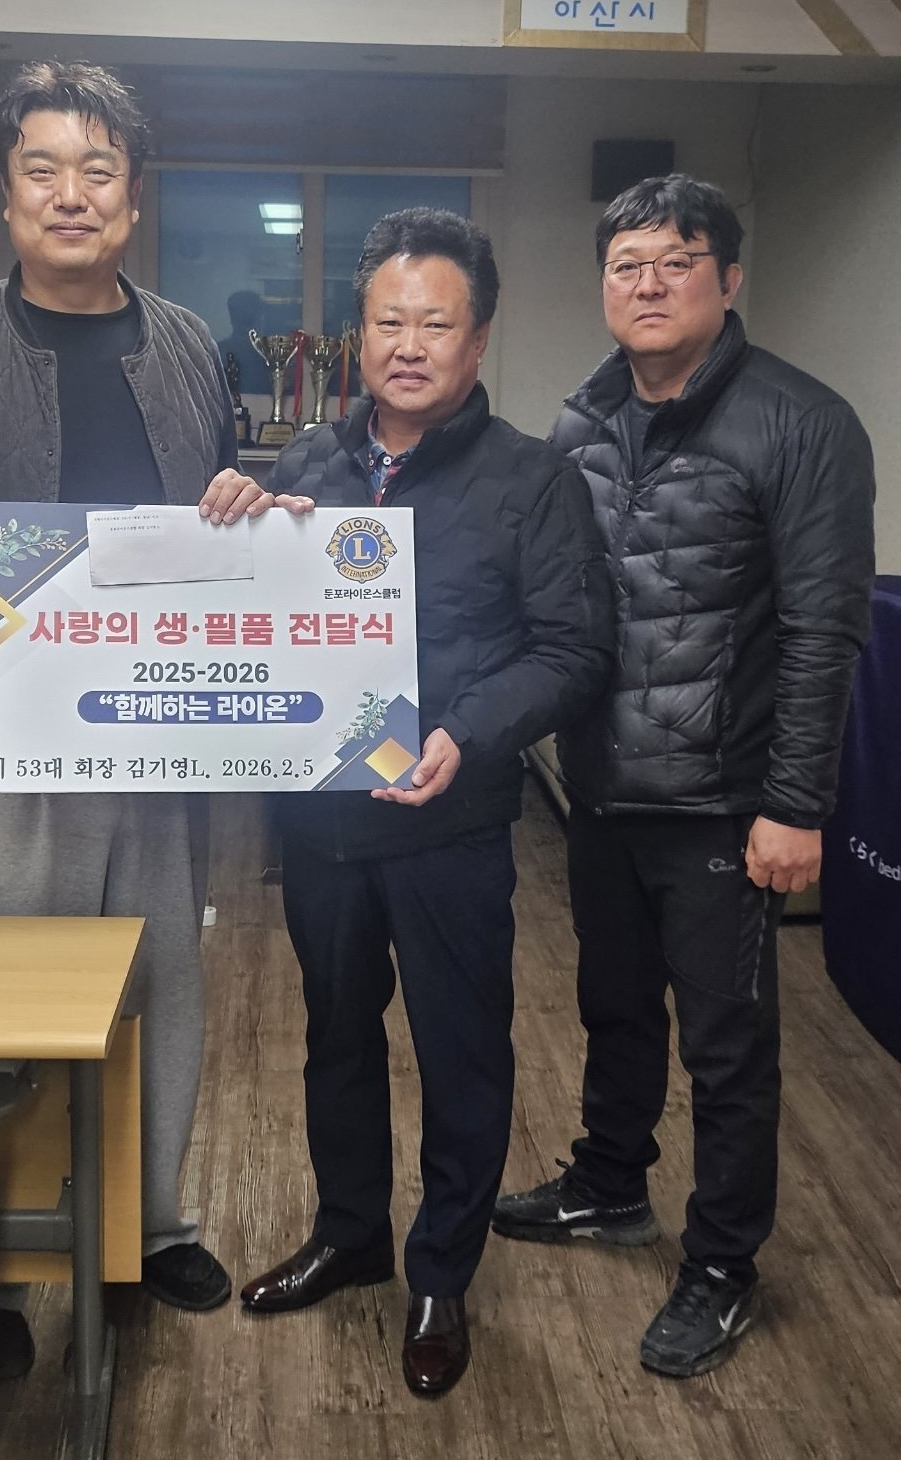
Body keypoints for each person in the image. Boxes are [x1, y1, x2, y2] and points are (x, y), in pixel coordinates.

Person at [0, 60, 302, 1379]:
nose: (71, 194)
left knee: (157, 987)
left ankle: (146, 1227)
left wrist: (253, 513)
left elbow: (215, 514)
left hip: (152, 745)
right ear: (6, 197)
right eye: (42, 169)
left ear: (133, 198)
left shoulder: (187, 342)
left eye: (98, 171)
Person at [492, 174, 875, 1378]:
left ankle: (721, 1262)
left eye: (677, 261)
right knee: (612, 1006)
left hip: (725, 800)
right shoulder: (583, 419)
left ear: (728, 277)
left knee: (726, 1047)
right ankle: (609, 1183)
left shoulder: (801, 423)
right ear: (601, 284)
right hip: (601, 784)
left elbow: (823, 630)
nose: (648, 285)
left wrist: (795, 806)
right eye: (626, 265)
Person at [238, 208, 615, 1397]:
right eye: (387, 322)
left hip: (448, 822)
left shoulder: (531, 479)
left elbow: (574, 649)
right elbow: (258, 622)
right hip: (322, 825)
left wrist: (467, 732)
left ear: (479, 337)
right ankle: (350, 1233)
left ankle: (440, 1273)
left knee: (460, 1051)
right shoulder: (305, 467)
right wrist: (235, 530)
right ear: (357, 333)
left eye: (435, 324)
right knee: (335, 1035)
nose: (408, 345)